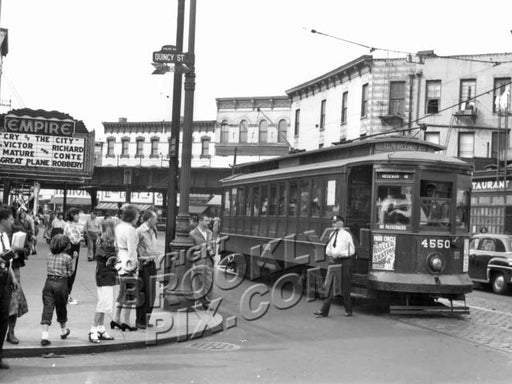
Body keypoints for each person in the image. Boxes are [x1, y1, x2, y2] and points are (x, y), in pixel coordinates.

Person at [314, 215, 355, 318]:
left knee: (345, 287)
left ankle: (348, 310)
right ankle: (324, 311)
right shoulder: (332, 234)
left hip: (344, 262)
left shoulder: (346, 235)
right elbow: (328, 247)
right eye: (332, 222)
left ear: (341, 223)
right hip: (334, 261)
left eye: (335, 222)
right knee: (329, 286)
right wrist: (330, 252)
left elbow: (352, 250)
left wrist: (341, 254)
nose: (333, 224)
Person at [40, 234, 77, 346]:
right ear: (65, 246)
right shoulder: (67, 258)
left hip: (49, 282)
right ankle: (63, 331)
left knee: (47, 308)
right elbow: (70, 272)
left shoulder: (49, 255)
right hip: (61, 284)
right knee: (61, 307)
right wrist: (75, 258)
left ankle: (45, 335)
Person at [88, 219, 118, 343]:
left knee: (104, 302)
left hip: (103, 274)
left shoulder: (102, 240)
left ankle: (100, 328)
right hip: (105, 274)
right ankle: (93, 329)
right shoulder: (108, 242)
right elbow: (110, 258)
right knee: (104, 303)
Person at [112, 204, 139, 332]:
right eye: (137, 216)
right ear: (132, 217)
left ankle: (116, 318)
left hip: (120, 258)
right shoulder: (131, 229)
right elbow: (132, 249)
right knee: (130, 293)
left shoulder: (118, 227)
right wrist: (135, 265)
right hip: (128, 259)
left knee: (122, 291)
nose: (138, 218)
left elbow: (115, 244)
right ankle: (126, 321)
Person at [0, 207, 19, 369]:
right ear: (3, 220)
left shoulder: (5, 236)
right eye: (11, 219)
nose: (13, 222)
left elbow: (7, 260)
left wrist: (12, 277)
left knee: (3, 317)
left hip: (5, 277)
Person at [135, 210, 158, 329]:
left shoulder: (153, 230)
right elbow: (133, 248)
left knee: (152, 294)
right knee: (144, 293)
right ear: (149, 219)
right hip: (143, 264)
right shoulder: (139, 231)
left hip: (152, 263)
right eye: (155, 218)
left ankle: (146, 318)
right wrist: (140, 259)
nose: (157, 221)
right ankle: (140, 320)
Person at [189, 214, 215, 309]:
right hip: (198, 261)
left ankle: (207, 301)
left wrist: (212, 251)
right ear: (200, 221)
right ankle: (198, 301)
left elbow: (212, 245)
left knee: (209, 282)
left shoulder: (210, 233)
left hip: (208, 260)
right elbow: (190, 249)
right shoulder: (193, 234)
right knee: (197, 282)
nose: (208, 223)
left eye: (208, 221)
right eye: (206, 221)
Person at [63, 208, 83, 305]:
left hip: (74, 250)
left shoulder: (73, 225)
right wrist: (81, 237)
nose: (78, 217)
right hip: (71, 250)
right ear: (72, 215)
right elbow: (75, 239)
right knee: (70, 273)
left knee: (72, 273)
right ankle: (66, 295)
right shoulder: (69, 225)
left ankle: (68, 294)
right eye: (77, 215)